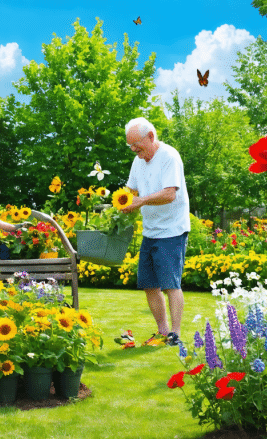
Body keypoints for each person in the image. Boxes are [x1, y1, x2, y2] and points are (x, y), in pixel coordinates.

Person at [121, 117, 190, 347]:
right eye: (130, 146)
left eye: (137, 145)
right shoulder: (137, 161)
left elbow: (170, 193)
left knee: (171, 283)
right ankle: (162, 331)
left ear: (151, 136)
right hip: (150, 231)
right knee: (149, 283)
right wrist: (119, 203)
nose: (134, 150)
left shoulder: (170, 156)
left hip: (172, 230)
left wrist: (140, 201)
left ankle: (176, 333)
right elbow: (130, 190)